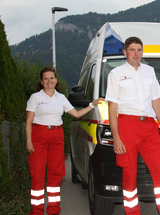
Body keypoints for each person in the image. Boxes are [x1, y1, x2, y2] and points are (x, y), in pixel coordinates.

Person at [105, 36, 160, 215]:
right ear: (125, 52)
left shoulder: (149, 71)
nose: (136, 53)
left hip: (150, 127)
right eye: (132, 50)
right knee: (129, 174)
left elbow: (156, 101)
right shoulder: (116, 74)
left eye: (139, 50)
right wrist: (116, 137)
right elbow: (112, 108)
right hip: (127, 125)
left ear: (143, 52)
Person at [26, 67, 103, 215]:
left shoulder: (61, 98)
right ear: (41, 82)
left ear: (56, 80)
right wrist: (29, 141)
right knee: (37, 175)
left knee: (56, 174)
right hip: (38, 136)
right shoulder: (35, 97)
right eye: (46, 79)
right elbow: (29, 121)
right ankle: (36, 211)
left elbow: (76, 114)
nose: (50, 81)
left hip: (57, 136)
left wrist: (92, 105)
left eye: (52, 78)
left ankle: (54, 210)